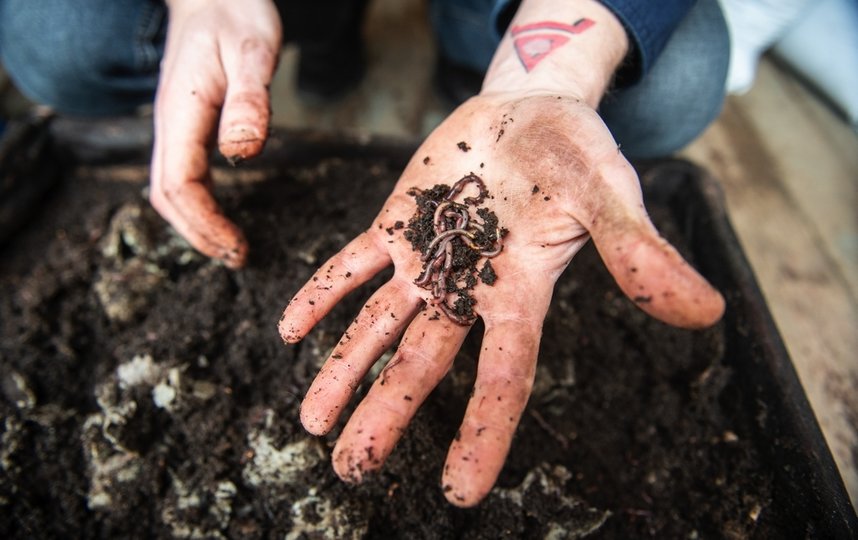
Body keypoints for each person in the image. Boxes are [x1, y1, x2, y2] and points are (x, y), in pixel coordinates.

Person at [0, 0, 728, 507]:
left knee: (680, 77)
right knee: (57, 34)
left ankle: (480, 50)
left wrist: (546, 77)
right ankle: (326, 24)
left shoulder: (458, 239)